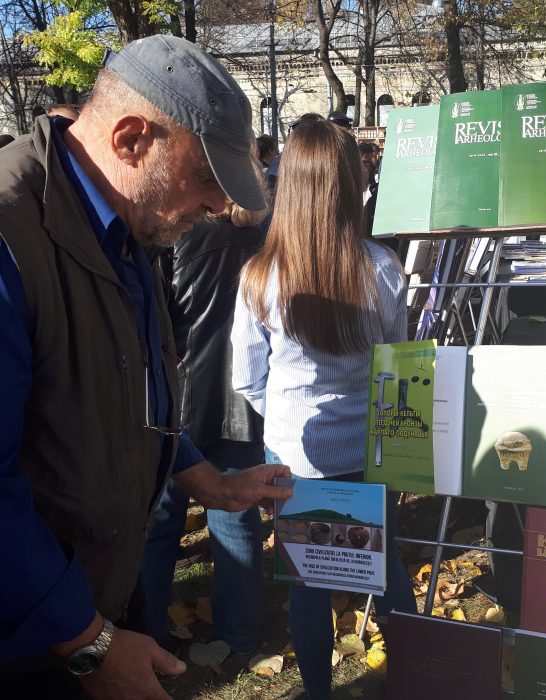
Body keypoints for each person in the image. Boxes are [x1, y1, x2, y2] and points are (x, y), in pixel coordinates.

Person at [0, 34, 291, 700]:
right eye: (207, 180)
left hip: (93, 596)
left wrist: (212, 483)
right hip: (29, 640)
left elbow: (132, 393)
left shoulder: (125, 224)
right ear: (132, 140)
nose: (217, 207)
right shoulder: (11, 232)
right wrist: (88, 644)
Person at [231, 119, 417, 700]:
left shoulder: (260, 277)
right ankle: (419, 678)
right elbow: (399, 364)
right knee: (386, 569)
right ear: (350, 185)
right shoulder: (382, 268)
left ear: (287, 184)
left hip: (296, 454)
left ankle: (317, 691)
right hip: (371, 449)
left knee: (307, 584)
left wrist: (284, 420)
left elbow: (246, 379)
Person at [142, 202, 268, 655]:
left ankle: (148, 635)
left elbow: (152, 319)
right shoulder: (266, 234)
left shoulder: (176, 232)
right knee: (237, 519)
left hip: (179, 400)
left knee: (161, 523)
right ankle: (239, 635)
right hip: (244, 400)